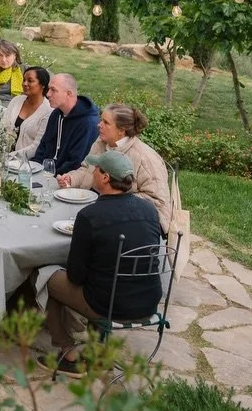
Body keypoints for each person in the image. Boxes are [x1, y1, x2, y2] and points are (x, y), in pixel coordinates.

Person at [44, 150, 164, 376]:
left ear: (106, 177)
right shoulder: (149, 209)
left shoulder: (90, 216)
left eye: (96, 169)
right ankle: (98, 347)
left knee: (45, 276)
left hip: (109, 306)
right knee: (103, 278)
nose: (93, 172)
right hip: (149, 302)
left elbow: (76, 276)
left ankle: (68, 354)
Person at [58, 103, 173, 234]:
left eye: (106, 122)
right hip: (100, 209)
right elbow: (86, 169)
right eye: (101, 120)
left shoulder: (145, 158)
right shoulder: (101, 143)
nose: (99, 125)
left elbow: (158, 203)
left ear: (121, 130)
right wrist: (71, 179)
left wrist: (113, 202)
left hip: (135, 224)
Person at [30, 73, 100, 177]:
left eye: (53, 90)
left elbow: (75, 163)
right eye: (49, 89)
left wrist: (50, 177)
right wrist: (34, 168)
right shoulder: (56, 114)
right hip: (44, 174)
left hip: (65, 180)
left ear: (68, 93)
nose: (48, 94)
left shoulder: (87, 123)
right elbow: (43, 147)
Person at [1, 66, 53, 156]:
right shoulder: (16, 101)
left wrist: (11, 156)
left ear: (43, 85)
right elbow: (2, 127)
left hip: (28, 160)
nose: (25, 84)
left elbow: (37, 146)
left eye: (30, 81)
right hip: (4, 154)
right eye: (24, 80)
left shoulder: (48, 111)